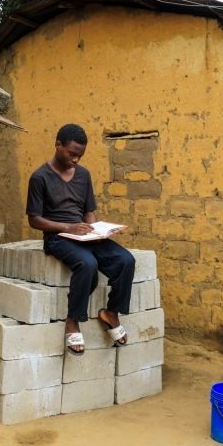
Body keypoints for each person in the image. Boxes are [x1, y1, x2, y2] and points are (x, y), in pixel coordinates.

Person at [26, 123, 135, 355]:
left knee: (126, 260)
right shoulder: (39, 177)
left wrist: (95, 230)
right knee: (87, 264)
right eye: (72, 154)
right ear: (58, 145)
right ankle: (73, 320)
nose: (75, 160)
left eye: (79, 156)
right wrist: (68, 227)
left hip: (84, 234)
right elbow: (34, 219)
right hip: (58, 236)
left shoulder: (83, 175)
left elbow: (89, 210)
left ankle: (111, 313)